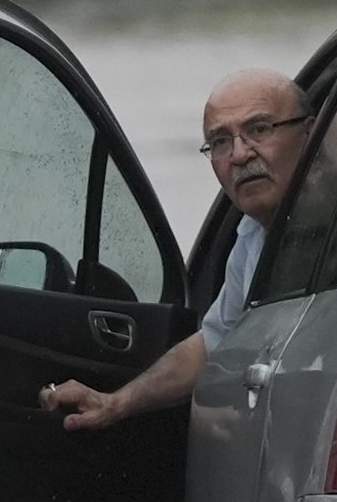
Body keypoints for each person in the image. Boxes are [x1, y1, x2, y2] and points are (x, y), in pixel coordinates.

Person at [40, 69, 309, 431]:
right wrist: (115, 403)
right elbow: (211, 345)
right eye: (219, 142)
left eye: (259, 129)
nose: (241, 154)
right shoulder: (252, 234)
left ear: (309, 132)